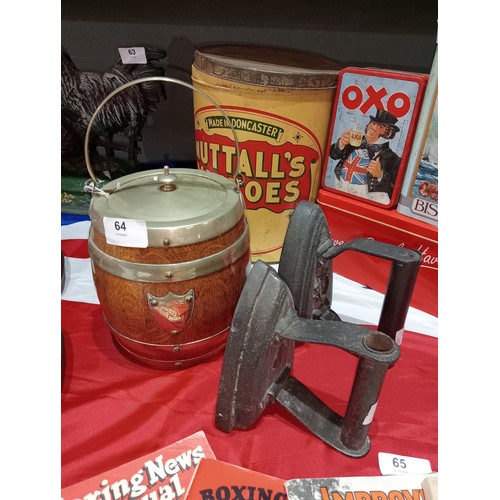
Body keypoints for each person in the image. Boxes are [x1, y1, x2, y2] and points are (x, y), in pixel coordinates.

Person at [329, 109, 401, 204]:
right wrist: (341, 144)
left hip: (366, 201)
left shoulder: (393, 159)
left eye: (380, 126)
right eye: (373, 123)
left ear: (389, 133)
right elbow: (333, 155)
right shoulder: (354, 139)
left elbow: (395, 191)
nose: (373, 128)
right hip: (338, 189)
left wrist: (381, 175)